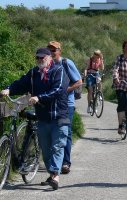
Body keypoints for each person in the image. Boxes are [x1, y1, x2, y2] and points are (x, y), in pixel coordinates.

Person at [1, 48, 69, 190]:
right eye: (37, 58)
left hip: (59, 117)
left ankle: (55, 176)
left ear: (49, 58)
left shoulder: (58, 71)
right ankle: (52, 174)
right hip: (43, 117)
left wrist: (39, 97)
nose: (39, 60)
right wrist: (9, 89)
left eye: (42, 57)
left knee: (57, 146)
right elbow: (21, 83)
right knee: (45, 149)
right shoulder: (33, 73)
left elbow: (58, 90)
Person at [47, 41, 82, 174]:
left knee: (65, 131)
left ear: (59, 51)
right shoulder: (47, 65)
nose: (52, 52)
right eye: (49, 50)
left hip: (67, 105)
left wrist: (65, 90)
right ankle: (55, 160)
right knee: (51, 132)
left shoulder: (67, 63)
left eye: (54, 50)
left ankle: (65, 163)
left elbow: (79, 82)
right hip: (51, 105)